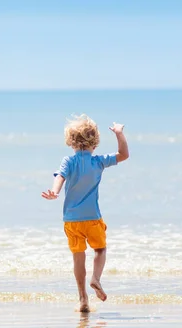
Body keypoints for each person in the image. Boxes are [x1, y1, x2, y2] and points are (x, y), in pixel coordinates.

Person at [41, 114, 129, 312]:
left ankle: (83, 299)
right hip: (93, 219)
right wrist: (119, 134)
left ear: (71, 142)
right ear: (95, 142)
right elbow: (123, 154)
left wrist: (54, 192)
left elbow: (60, 177)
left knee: (78, 257)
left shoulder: (68, 161)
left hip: (71, 220)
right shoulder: (99, 161)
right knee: (100, 250)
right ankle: (96, 279)